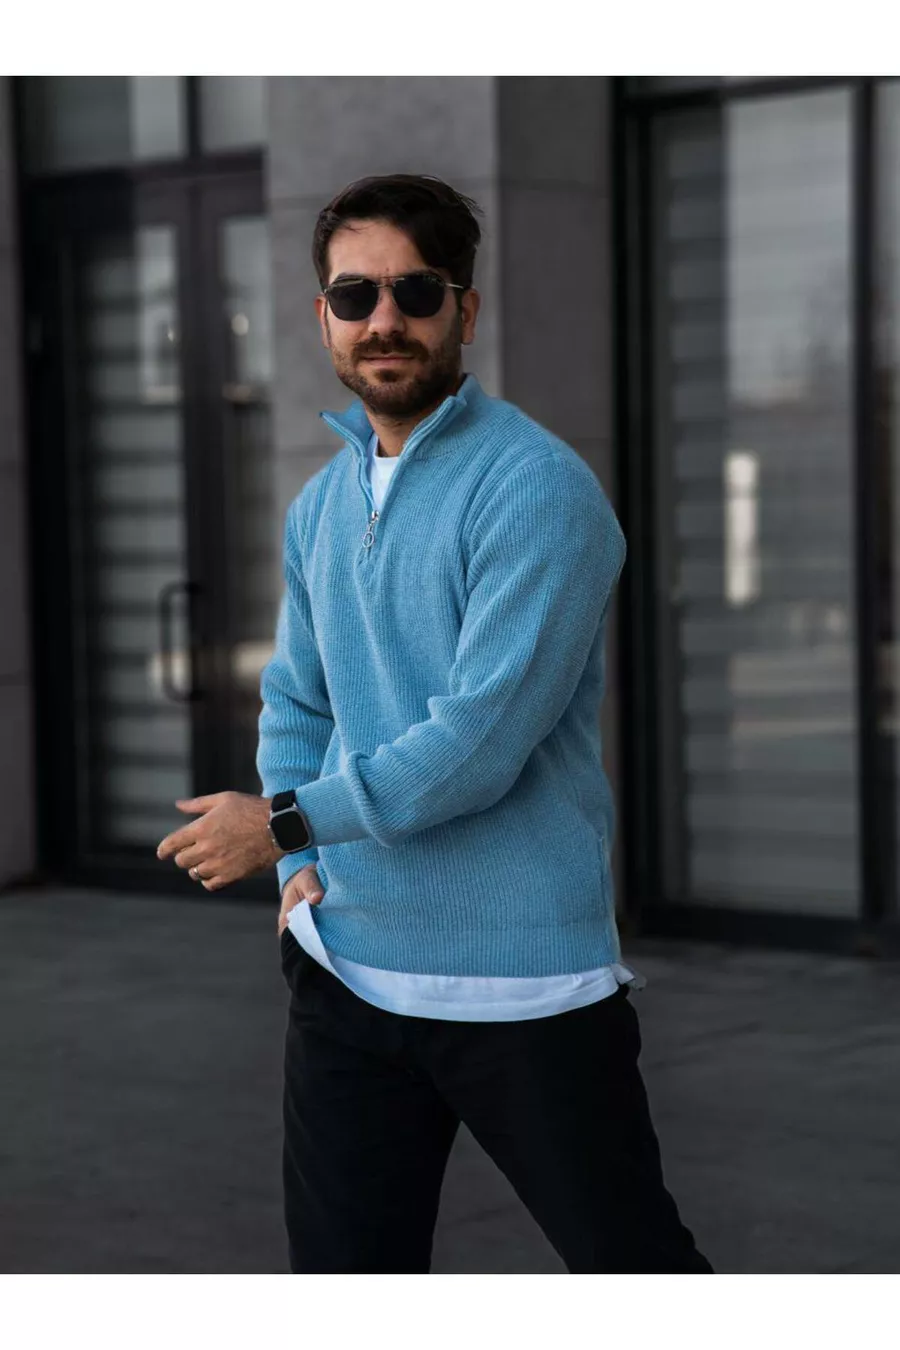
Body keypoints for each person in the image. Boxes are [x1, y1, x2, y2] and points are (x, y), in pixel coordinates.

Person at [157, 173, 713, 1275]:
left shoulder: (536, 489)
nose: (385, 320)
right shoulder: (324, 502)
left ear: (466, 308)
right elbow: (297, 700)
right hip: (346, 975)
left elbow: (481, 743)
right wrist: (297, 872)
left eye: (416, 291)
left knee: (638, 1274)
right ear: (322, 317)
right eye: (354, 295)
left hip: (521, 986)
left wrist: (282, 824)